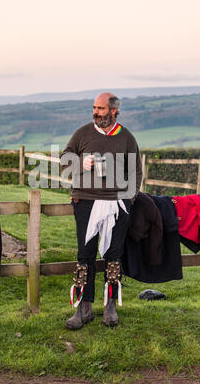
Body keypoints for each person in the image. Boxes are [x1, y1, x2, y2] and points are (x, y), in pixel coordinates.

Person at [60, 92, 142, 329]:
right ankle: (83, 308)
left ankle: (110, 307)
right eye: (94, 107)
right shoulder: (83, 133)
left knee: (113, 255)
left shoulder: (126, 137)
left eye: (101, 109)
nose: (95, 112)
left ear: (114, 111)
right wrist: (79, 162)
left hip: (117, 203)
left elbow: (136, 170)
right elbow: (64, 160)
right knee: (85, 255)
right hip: (85, 201)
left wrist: (130, 198)